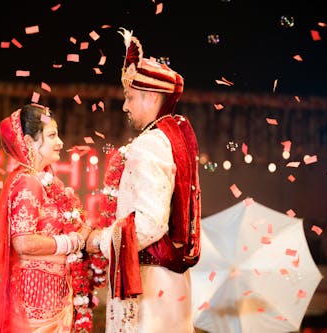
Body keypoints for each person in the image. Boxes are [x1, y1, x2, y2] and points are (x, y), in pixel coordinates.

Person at [86, 29, 202, 333]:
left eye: (129, 97)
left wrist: (99, 240)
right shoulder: (173, 136)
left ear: (151, 97)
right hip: (169, 283)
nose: (125, 106)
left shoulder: (149, 143)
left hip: (151, 285)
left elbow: (151, 223)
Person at [0, 103, 91, 332]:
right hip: (34, 302)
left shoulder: (48, 182)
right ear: (29, 142)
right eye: (52, 135)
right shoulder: (27, 182)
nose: (60, 143)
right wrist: (73, 241)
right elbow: (24, 242)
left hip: (54, 297)